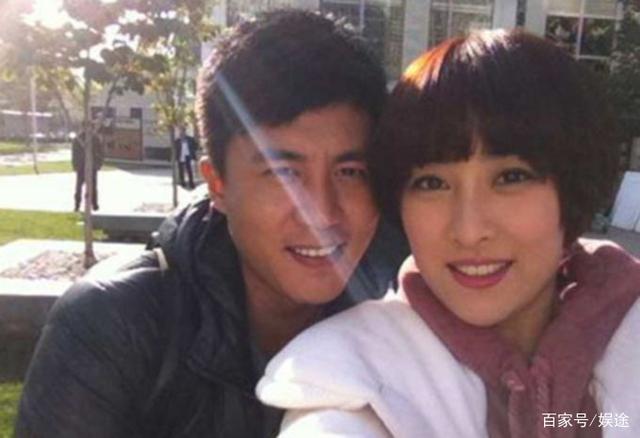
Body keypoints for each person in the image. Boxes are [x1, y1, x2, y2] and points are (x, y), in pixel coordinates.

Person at [16, 10, 409, 438]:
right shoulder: (111, 326)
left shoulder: (407, 313)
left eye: (349, 171)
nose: (322, 213)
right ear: (217, 184)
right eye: (283, 173)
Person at [258, 30, 640, 437]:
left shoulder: (626, 327)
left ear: (571, 190)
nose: (469, 231)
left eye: (511, 177)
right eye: (432, 183)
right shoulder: (351, 376)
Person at [72, 127, 104, 211]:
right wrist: (75, 165)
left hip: (91, 166)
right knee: (79, 187)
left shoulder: (95, 138)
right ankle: (77, 204)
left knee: (92, 186)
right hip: (82, 166)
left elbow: (100, 152)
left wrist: (99, 164)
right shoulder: (78, 139)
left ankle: (94, 204)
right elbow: (74, 153)